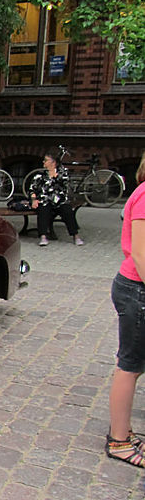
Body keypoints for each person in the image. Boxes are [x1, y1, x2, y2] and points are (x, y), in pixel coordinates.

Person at [107, 152, 145, 471]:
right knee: (130, 364)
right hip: (137, 289)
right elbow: (142, 252)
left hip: (136, 288)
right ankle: (118, 439)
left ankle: (125, 432)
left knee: (135, 363)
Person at [29, 151, 84, 247]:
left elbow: (65, 187)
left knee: (67, 210)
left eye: (46, 160)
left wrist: (56, 178)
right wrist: (33, 200)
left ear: (53, 162)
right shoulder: (40, 175)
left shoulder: (63, 173)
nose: (43, 162)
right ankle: (43, 236)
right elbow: (32, 189)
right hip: (44, 200)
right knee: (43, 210)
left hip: (59, 201)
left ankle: (76, 236)